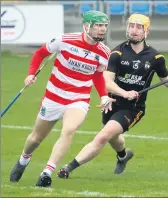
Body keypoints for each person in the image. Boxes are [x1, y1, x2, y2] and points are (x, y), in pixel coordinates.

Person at [9, 10, 117, 187]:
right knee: (35, 138)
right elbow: (40, 54)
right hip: (53, 97)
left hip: (79, 98)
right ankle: (23, 159)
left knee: (69, 130)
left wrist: (104, 96)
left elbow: (98, 76)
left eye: (104, 26)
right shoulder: (64, 40)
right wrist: (30, 74)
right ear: (86, 26)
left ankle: (47, 172)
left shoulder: (105, 52)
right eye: (98, 25)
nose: (102, 30)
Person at [57, 13, 168, 179]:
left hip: (133, 108)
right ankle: (123, 156)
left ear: (146, 31)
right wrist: (125, 93)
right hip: (111, 103)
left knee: (104, 135)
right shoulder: (117, 53)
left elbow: (166, 82)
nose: (133, 30)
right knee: (113, 136)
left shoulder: (156, 57)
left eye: (138, 27)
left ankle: (68, 168)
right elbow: (106, 81)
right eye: (131, 26)